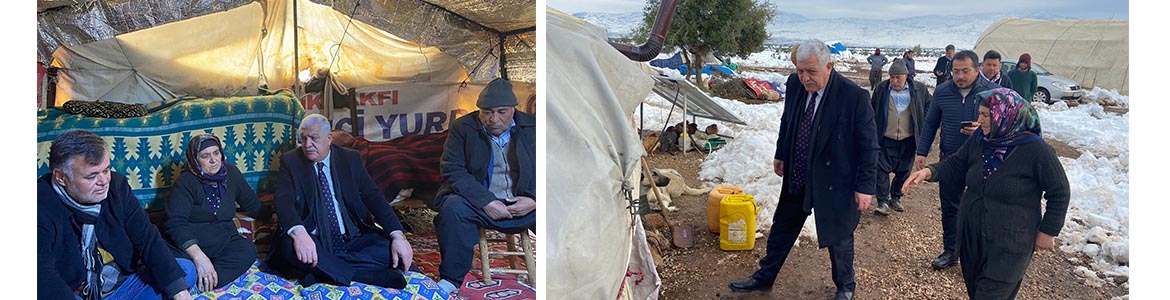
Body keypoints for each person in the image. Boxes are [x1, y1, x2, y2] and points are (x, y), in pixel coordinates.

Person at [728, 39, 878, 300]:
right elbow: (788, 121)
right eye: (800, 70)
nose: (805, 78)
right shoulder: (794, 84)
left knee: (839, 236)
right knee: (782, 227)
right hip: (798, 172)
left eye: (811, 72)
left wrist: (865, 187)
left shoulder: (854, 97)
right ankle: (764, 278)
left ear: (828, 66)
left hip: (835, 179)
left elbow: (869, 147)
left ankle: (845, 287)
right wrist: (780, 153)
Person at [902, 88, 1068, 299]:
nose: (979, 121)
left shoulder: (1036, 150)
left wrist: (1048, 231)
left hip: (1010, 243)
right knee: (977, 290)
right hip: (973, 238)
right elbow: (957, 164)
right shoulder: (982, 139)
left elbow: (1060, 192)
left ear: (1005, 115)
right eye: (979, 114)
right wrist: (929, 171)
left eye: (985, 115)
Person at [38, 129, 197, 300]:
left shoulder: (117, 186)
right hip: (72, 293)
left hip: (121, 289)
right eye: (92, 176)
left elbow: (147, 238)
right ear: (61, 177)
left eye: (106, 170)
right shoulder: (38, 203)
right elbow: (41, 273)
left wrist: (181, 294)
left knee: (184, 271)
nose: (104, 181)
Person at [268, 113, 414, 289]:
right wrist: (299, 234)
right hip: (313, 237)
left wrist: (398, 235)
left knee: (390, 250)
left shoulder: (350, 159)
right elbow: (283, 200)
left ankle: (322, 271)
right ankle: (363, 275)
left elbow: (373, 196)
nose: (307, 145)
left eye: (314, 138)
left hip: (351, 236)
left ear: (329, 138)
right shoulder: (291, 161)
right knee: (290, 248)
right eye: (304, 139)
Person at [433, 78, 536, 294]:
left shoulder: (534, 127)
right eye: (487, 112)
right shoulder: (463, 127)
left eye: (502, 112)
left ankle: (565, 273)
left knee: (562, 210)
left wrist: (535, 199)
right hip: (481, 201)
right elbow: (453, 169)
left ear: (513, 109)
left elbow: (553, 168)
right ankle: (451, 279)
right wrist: (486, 201)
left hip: (525, 200)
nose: (493, 119)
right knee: (452, 210)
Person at [915, 50, 998, 271]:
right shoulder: (942, 92)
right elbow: (931, 122)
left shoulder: (991, 93)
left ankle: (978, 257)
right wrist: (922, 151)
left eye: (965, 71)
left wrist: (983, 130)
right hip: (950, 158)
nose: (959, 76)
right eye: (955, 71)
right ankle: (950, 251)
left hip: (982, 159)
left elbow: (1005, 127)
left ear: (977, 70)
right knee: (950, 207)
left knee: (980, 209)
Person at [164, 133, 267, 292]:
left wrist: (274, 216)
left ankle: (204, 282)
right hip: (192, 247)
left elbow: (251, 202)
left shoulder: (231, 173)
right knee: (177, 265)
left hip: (222, 240)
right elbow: (175, 223)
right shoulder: (185, 183)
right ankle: (193, 277)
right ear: (195, 160)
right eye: (205, 156)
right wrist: (198, 257)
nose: (214, 160)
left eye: (216, 153)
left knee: (247, 251)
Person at [870, 59, 931, 215]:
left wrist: (921, 120)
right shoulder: (882, 89)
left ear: (906, 75)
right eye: (892, 77)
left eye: (898, 77)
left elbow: (929, 106)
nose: (894, 81)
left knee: (903, 171)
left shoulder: (919, 89)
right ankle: (882, 201)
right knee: (881, 170)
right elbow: (872, 109)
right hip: (885, 138)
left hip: (908, 139)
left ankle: (895, 198)